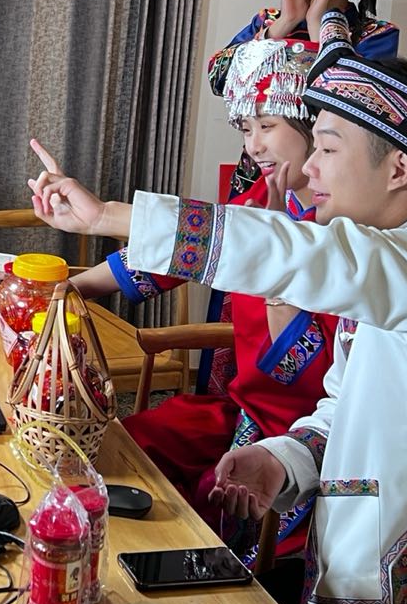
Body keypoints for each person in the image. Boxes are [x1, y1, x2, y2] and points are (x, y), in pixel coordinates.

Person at [28, 12, 407, 604]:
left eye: (328, 149)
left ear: (398, 168)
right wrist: (281, 460)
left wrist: (110, 215)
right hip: (371, 586)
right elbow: (343, 410)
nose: (310, 168)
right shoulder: (385, 269)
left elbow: (302, 255)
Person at [44, 39, 337, 566]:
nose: (254, 146)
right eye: (245, 129)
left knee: (203, 501)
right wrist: (70, 287)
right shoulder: (259, 202)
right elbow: (172, 258)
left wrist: (275, 276)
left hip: (303, 436)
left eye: (268, 125)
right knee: (119, 447)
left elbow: (304, 373)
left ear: (315, 128)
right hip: (242, 410)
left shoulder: (341, 236)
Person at [208, 0, 402, 199]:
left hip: (328, 180)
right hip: (259, 172)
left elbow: (352, 108)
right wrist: (285, 22)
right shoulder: (268, 22)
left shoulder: (375, 35)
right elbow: (218, 79)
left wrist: (318, 25)